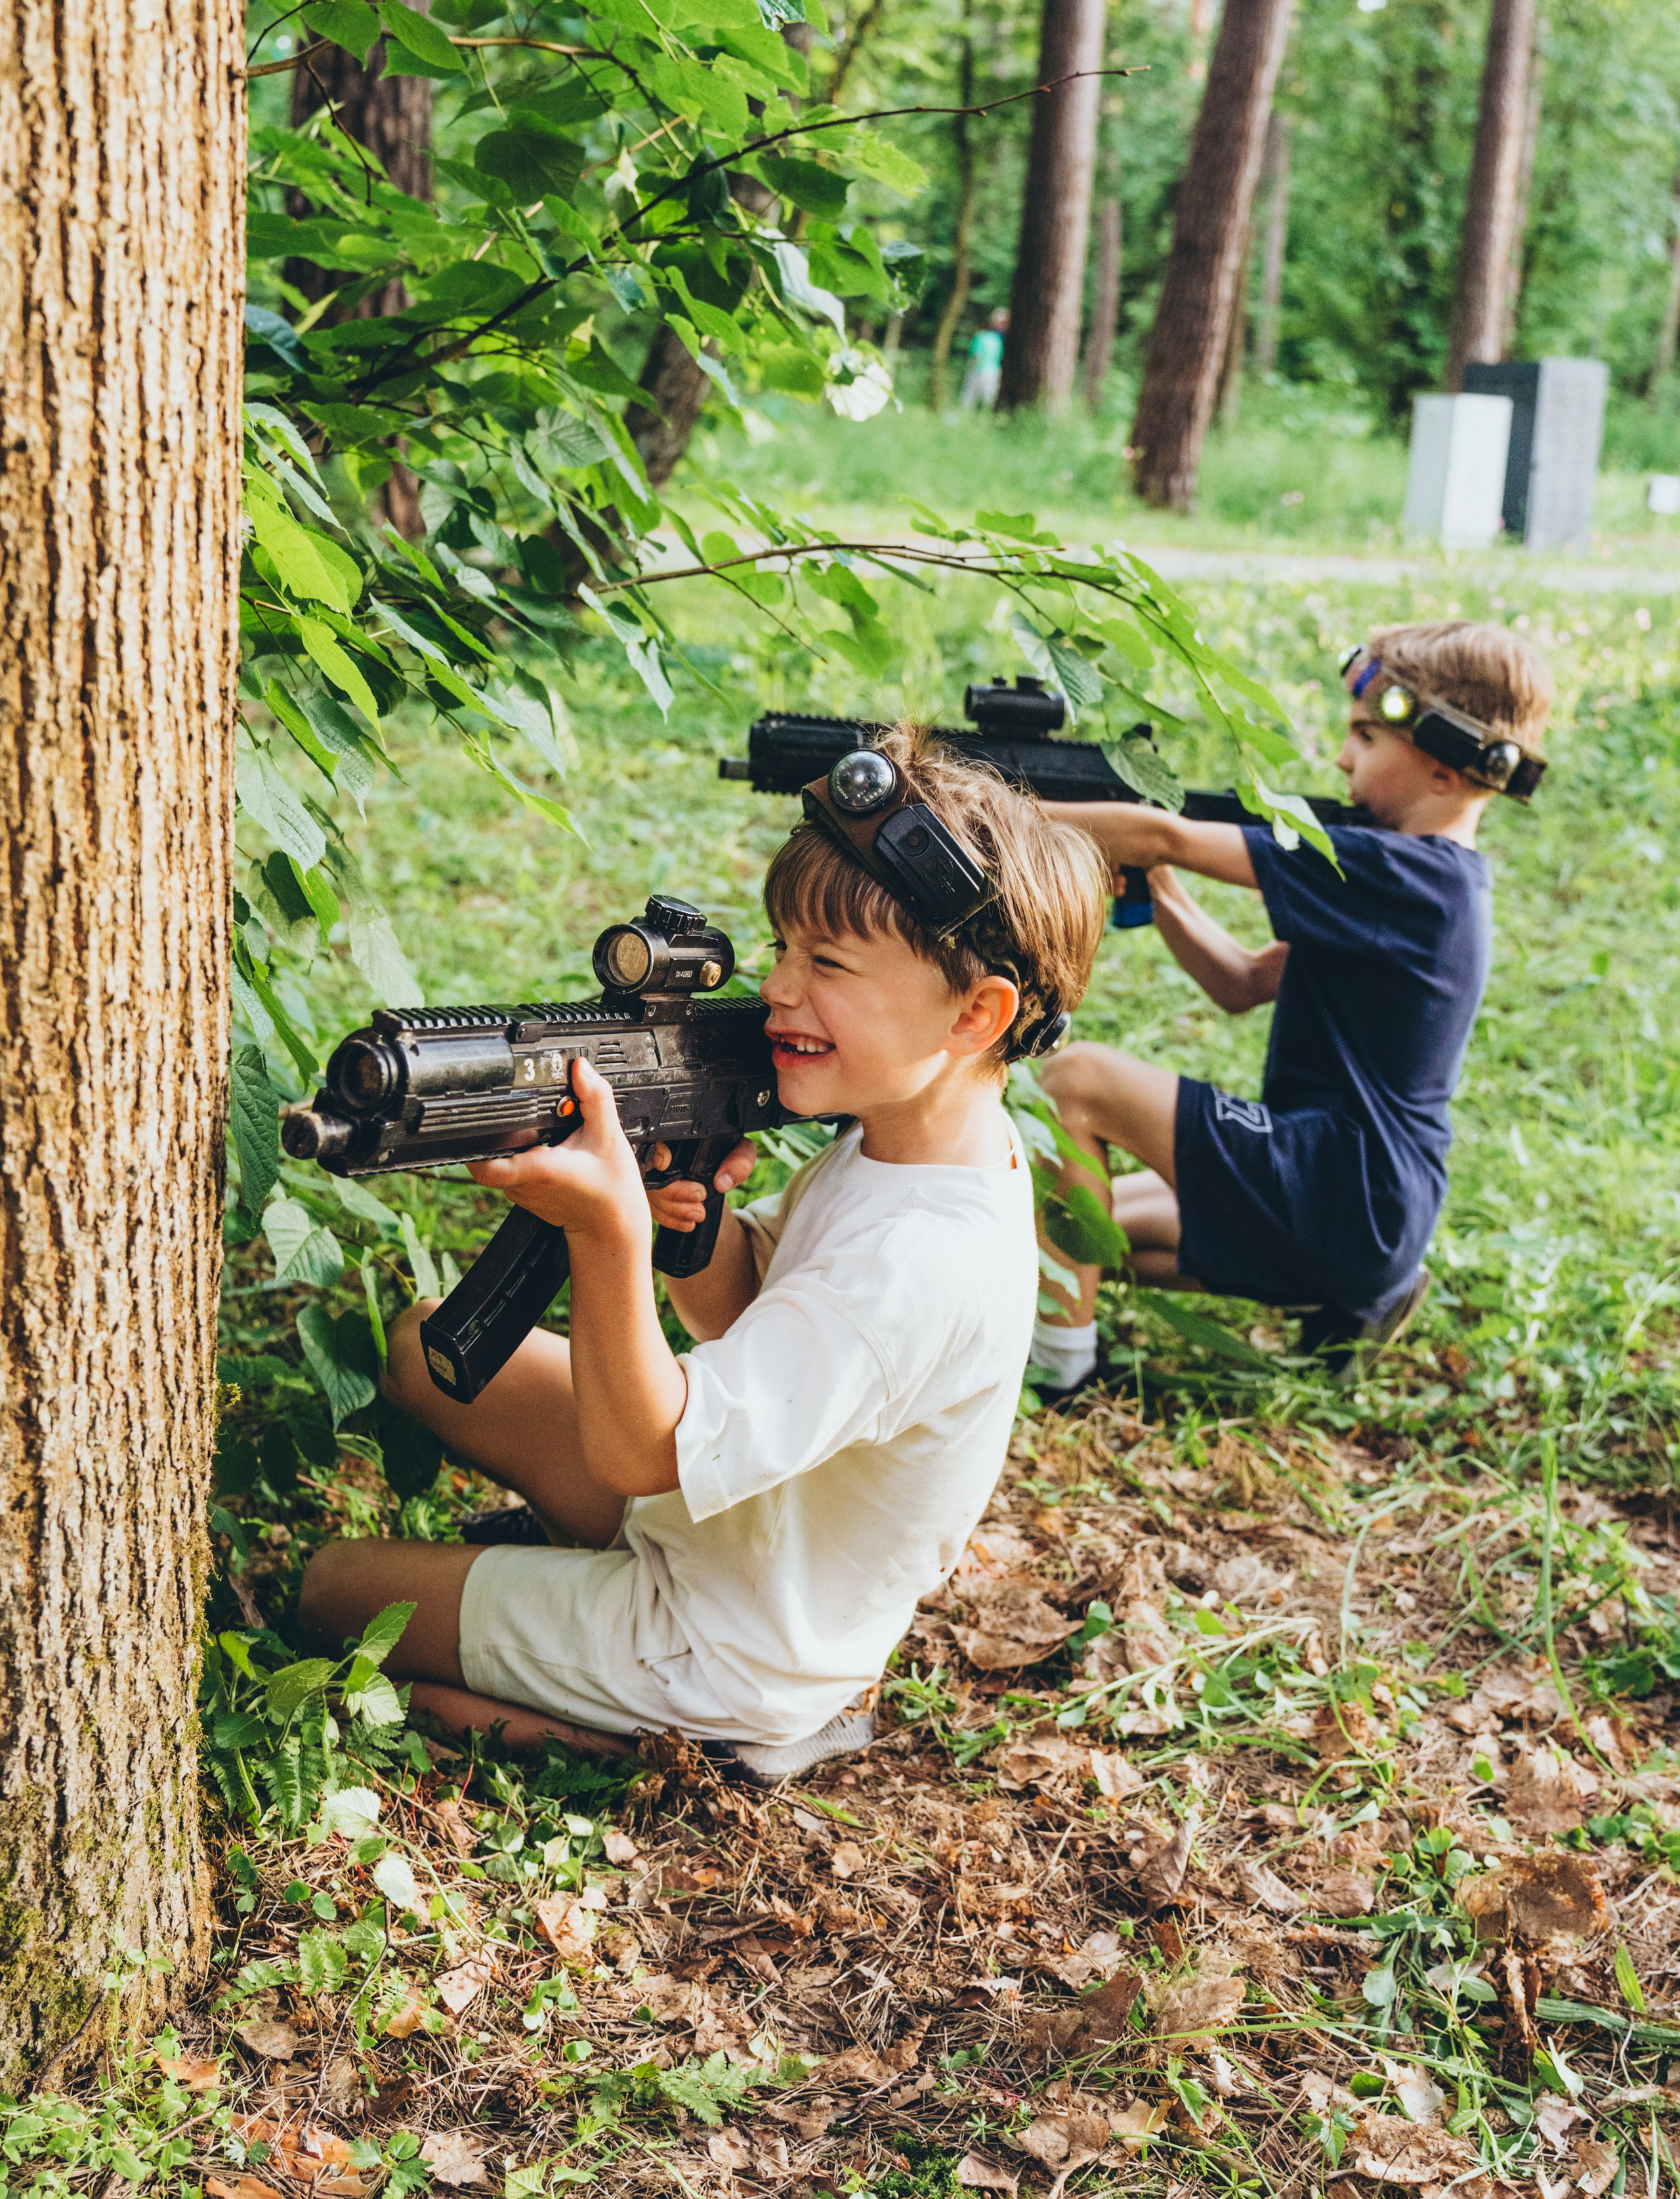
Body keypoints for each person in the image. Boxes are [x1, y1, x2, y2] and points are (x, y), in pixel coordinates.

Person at [299, 728, 1106, 1776]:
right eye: (781, 949)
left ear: (976, 1014)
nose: (777, 988)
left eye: (829, 964)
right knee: (420, 1352)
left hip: (730, 1637)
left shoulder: (922, 1265)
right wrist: (697, 1233)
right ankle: (575, 1614)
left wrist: (609, 1229)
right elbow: (747, 1311)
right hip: (736, 1522)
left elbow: (641, 1450)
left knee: (328, 1593)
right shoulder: (912, 1144)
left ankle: (701, 1739)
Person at [1026, 621, 1555, 1392]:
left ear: (1443, 766)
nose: (1343, 759)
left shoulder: (1400, 873)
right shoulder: (1430, 884)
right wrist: (1156, 886)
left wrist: (991, 814)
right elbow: (1238, 982)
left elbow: (1166, 835)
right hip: (1357, 1204)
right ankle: (1351, 1294)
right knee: (1073, 1221)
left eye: (1365, 737)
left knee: (1075, 1081)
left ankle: (1060, 1371)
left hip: (1343, 1183)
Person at [959, 307, 1008, 410]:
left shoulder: (981, 337)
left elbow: (975, 356)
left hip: (982, 371)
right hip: (993, 372)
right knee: (988, 402)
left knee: (969, 399)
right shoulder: (996, 339)